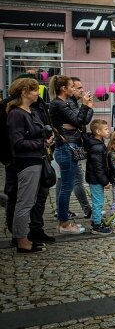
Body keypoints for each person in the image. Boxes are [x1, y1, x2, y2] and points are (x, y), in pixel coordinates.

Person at [7, 77, 53, 253]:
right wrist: (42, 144)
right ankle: (21, 240)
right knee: (24, 202)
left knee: (30, 201)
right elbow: (17, 142)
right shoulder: (16, 114)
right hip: (27, 161)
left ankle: (24, 237)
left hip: (37, 159)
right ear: (25, 92)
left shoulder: (30, 111)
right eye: (34, 90)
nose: (37, 93)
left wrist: (46, 140)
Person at [49, 75, 93, 234]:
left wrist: (86, 109)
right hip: (66, 148)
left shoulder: (66, 103)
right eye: (72, 87)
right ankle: (64, 224)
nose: (74, 90)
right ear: (64, 89)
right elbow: (78, 120)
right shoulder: (58, 104)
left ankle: (63, 221)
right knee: (66, 188)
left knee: (66, 186)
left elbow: (80, 121)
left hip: (70, 145)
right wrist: (86, 107)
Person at [84, 119, 112, 235]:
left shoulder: (98, 144)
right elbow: (98, 168)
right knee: (98, 202)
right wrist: (105, 182)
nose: (108, 131)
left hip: (95, 178)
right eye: (105, 129)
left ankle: (96, 220)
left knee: (98, 201)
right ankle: (96, 225)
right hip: (96, 179)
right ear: (98, 131)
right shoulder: (97, 147)